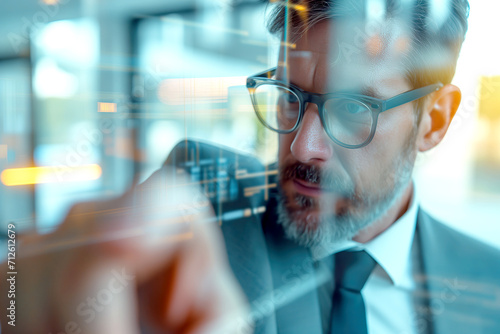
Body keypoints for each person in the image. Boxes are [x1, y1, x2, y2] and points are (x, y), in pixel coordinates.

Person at [161, 0, 500, 333]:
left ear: (433, 121)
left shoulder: (489, 285)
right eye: (289, 96)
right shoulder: (206, 207)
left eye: (352, 108)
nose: (302, 146)